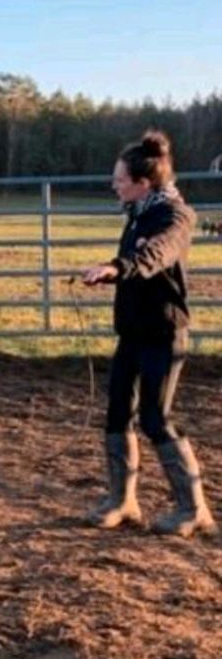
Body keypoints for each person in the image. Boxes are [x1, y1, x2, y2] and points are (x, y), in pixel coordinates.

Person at [82, 130, 216, 538]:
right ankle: (123, 500)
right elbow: (134, 257)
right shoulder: (139, 212)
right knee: (117, 412)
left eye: (120, 180)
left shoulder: (174, 217)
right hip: (133, 333)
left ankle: (193, 509)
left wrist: (119, 268)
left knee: (156, 418)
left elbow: (154, 255)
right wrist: (111, 269)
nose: (114, 185)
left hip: (163, 333)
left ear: (143, 183)